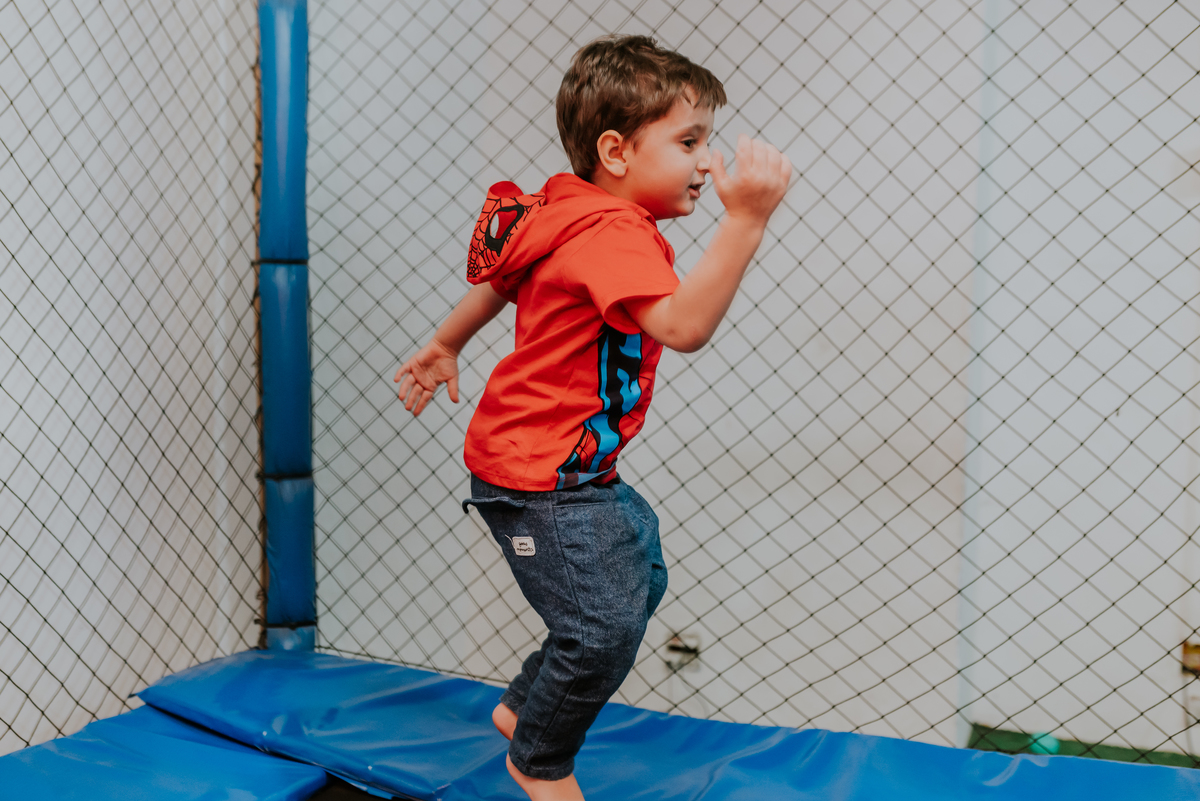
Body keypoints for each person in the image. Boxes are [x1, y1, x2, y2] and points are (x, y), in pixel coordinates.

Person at [393, 33, 790, 801]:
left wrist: (446, 341)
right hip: (535, 477)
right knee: (604, 627)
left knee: (639, 571)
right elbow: (683, 327)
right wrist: (746, 222)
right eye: (689, 142)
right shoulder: (611, 232)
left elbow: (505, 279)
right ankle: (538, 758)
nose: (708, 163)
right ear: (615, 150)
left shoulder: (566, 213)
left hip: (571, 465)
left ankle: (520, 705)